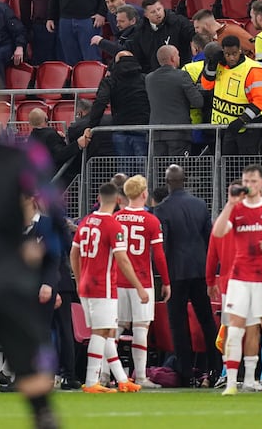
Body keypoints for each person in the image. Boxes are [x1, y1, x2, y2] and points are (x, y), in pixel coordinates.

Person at [211, 165, 262, 397]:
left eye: (253, 181)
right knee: (235, 329)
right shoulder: (237, 209)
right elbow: (218, 232)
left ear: (261, 184)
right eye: (246, 181)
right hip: (239, 277)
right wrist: (230, 204)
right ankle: (231, 381)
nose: (249, 185)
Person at [72, 182, 148, 394]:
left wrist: (79, 280)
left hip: (86, 284)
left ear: (98, 197)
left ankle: (122, 379)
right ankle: (91, 381)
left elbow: (73, 253)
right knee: (101, 332)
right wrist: (139, 287)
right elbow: (122, 260)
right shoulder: (113, 225)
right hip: (102, 286)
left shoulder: (86, 221)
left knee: (108, 332)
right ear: (117, 200)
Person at [154, 164, 221, 387]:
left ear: (167, 182)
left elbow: (163, 245)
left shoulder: (162, 209)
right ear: (185, 181)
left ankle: (185, 372)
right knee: (207, 320)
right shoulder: (200, 205)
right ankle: (215, 368)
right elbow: (209, 238)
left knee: (178, 323)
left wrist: (163, 276)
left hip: (176, 272)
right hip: (200, 269)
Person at [113, 176, 169, 388]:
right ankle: (141, 377)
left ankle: (102, 374)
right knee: (140, 328)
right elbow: (159, 255)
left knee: (114, 328)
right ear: (144, 193)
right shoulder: (151, 220)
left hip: (118, 280)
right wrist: (166, 281)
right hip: (142, 281)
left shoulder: (116, 218)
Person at [201, 36, 262, 155]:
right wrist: (211, 65)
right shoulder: (219, 64)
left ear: (240, 51)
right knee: (227, 168)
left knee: (246, 167)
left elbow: (261, 101)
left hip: (247, 129)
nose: (231, 58)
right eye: (227, 54)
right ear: (223, 52)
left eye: (234, 54)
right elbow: (207, 86)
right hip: (222, 128)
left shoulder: (253, 69)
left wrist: (242, 120)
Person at [146, 44, 202, 157]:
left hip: (156, 134)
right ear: (172, 58)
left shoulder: (149, 78)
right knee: (177, 171)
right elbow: (198, 102)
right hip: (178, 133)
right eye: (178, 55)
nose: (179, 58)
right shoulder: (182, 76)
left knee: (160, 171)